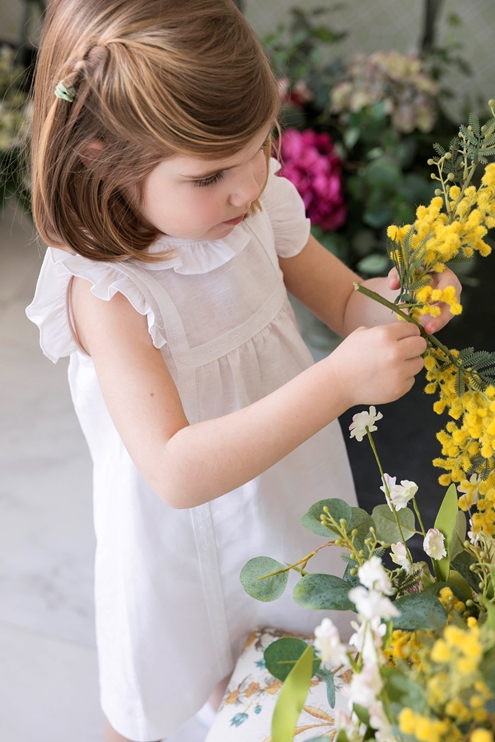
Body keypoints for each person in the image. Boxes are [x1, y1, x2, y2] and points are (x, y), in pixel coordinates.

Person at [26, 0, 460, 740]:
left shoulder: (255, 209)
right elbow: (173, 470)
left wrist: (398, 307)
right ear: (99, 156)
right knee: (151, 691)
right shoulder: (108, 291)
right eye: (207, 176)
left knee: (302, 655)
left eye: (261, 145)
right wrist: (338, 382)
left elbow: (345, 304)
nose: (246, 185)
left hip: (286, 492)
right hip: (169, 540)